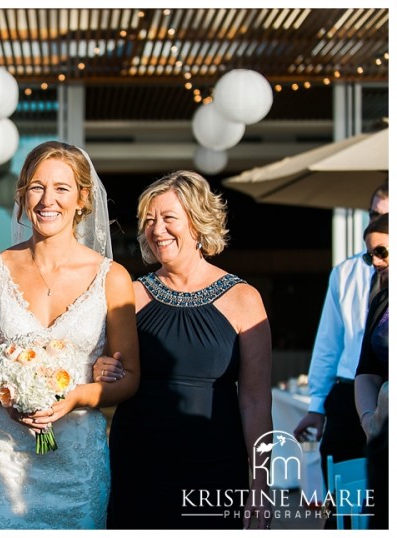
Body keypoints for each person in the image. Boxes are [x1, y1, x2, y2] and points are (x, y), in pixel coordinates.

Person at [0, 141, 140, 529]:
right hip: (1, 457)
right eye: (36, 187)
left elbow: (130, 379)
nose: (47, 199)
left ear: (83, 199)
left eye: (61, 188)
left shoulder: (112, 278)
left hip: (77, 463)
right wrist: (4, 398)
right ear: (22, 195)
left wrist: (75, 397)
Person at [95, 170, 273, 529]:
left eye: (169, 218)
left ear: (198, 222)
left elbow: (255, 401)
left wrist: (261, 484)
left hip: (216, 472)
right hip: (138, 467)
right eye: (149, 220)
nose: (157, 229)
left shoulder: (244, 299)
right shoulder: (128, 294)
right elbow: (104, 368)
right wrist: (100, 370)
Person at [293, 184, 389, 487]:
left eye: (389, 215)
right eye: (375, 213)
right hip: (351, 395)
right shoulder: (347, 272)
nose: (380, 220)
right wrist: (316, 405)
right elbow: (328, 342)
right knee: (342, 499)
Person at [353, 212, 388, 529]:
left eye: (382, 252)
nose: (375, 262)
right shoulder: (380, 301)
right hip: (384, 439)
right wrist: (368, 420)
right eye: (370, 255)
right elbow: (366, 369)